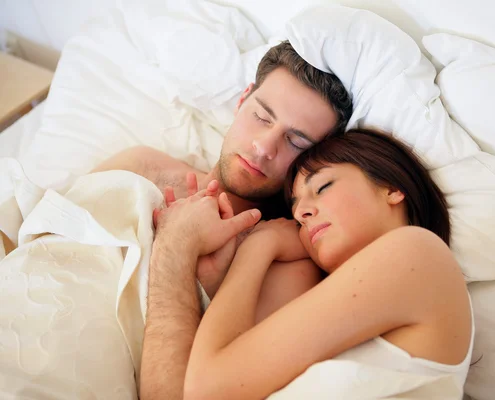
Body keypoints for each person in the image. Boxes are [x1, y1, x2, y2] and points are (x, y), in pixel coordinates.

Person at [91, 41, 352, 399]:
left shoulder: (283, 266)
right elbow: (32, 238)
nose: (264, 146)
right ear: (243, 99)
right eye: (262, 116)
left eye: (296, 142)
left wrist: (177, 246)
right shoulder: (143, 166)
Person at [153, 128, 474, 399]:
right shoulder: (303, 281)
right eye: (294, 206)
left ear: (392, 189)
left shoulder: (416, 253)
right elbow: (177, 390)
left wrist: (257, 247)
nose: (300, 212)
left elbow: (207, 390)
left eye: (322, 187)